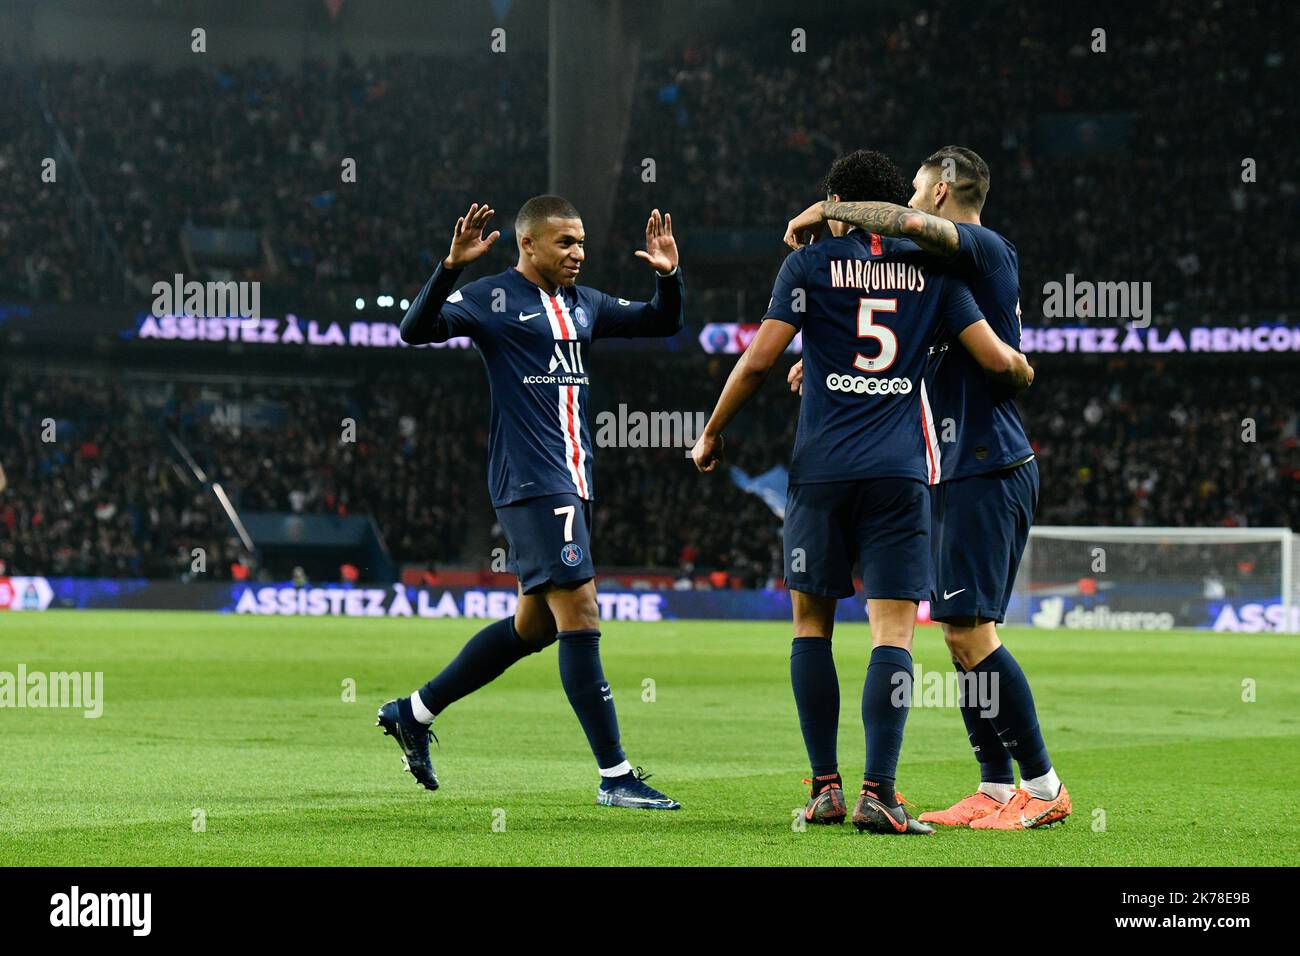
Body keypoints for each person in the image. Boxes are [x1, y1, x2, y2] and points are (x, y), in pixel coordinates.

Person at [694, 150, 1031, 834]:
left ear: (837, 202)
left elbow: (759, 361)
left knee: (810, 627)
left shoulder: (807, 266)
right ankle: (882, 792)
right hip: (900, 475)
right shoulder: (934, 271)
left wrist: (712, 431)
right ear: (893, 205)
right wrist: (1020, 367)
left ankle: (825, 788)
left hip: (819, 473)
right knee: (895, 635)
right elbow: (993, 359)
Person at [783, 146, 1069, 829]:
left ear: (941, 191)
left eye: (915, 189)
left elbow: (906, 232)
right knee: (956, 633)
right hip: (951, 468)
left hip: (986, 465)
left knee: (972, 633)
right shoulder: (938, 274)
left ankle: (1046, 785)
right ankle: (996, 786)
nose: (907, 202)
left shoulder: (982, 247)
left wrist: (827, 208)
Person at [377, 197, 684, 810]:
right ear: (530, 245)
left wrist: (668, 276)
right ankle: (615, 775)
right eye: (566, 243)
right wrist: (450, 267)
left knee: (535, 626)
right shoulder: (494, 298)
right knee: (583, 614)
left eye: (582, 242)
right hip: (532, 481)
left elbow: (662, 322)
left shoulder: (586, 304)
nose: (578, 253)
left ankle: (412, 711)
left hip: (574, 479)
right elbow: (414, 331)